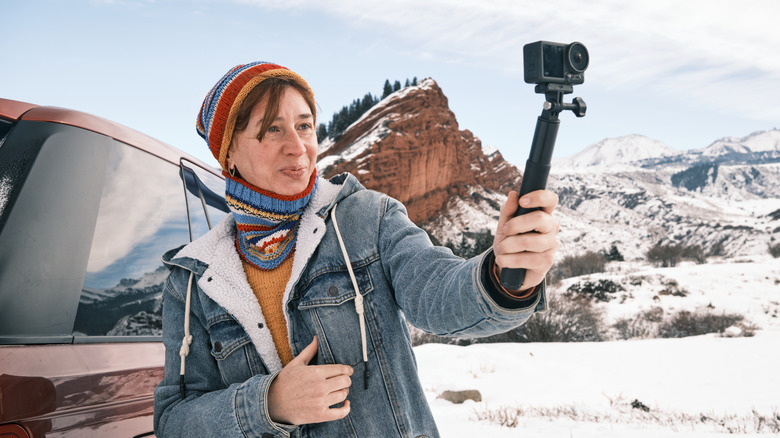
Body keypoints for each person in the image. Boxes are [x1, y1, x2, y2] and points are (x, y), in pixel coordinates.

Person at [153, 61, 560, 438]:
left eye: (305, 126)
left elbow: (438, 292)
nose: (297, 147)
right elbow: (174, 421)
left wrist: (503, 276)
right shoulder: (191, 280)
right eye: (271, 130)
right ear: (229, 153)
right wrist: (269, 403)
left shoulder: (367, 219)